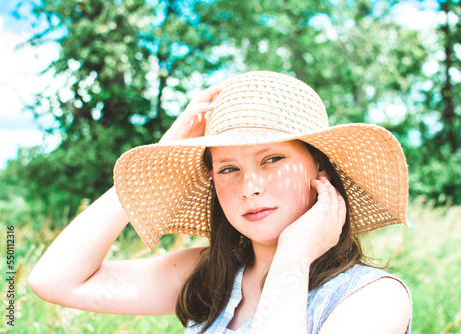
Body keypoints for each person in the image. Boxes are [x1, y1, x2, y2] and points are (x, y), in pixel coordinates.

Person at [29, 71, 412, 333]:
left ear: (321, 171)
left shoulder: (374, 297)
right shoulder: (210, 275)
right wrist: (161, 157)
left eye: (272, 159)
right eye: (228, 169)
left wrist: (293, 258)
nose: (249, 187)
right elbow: (56, 280)